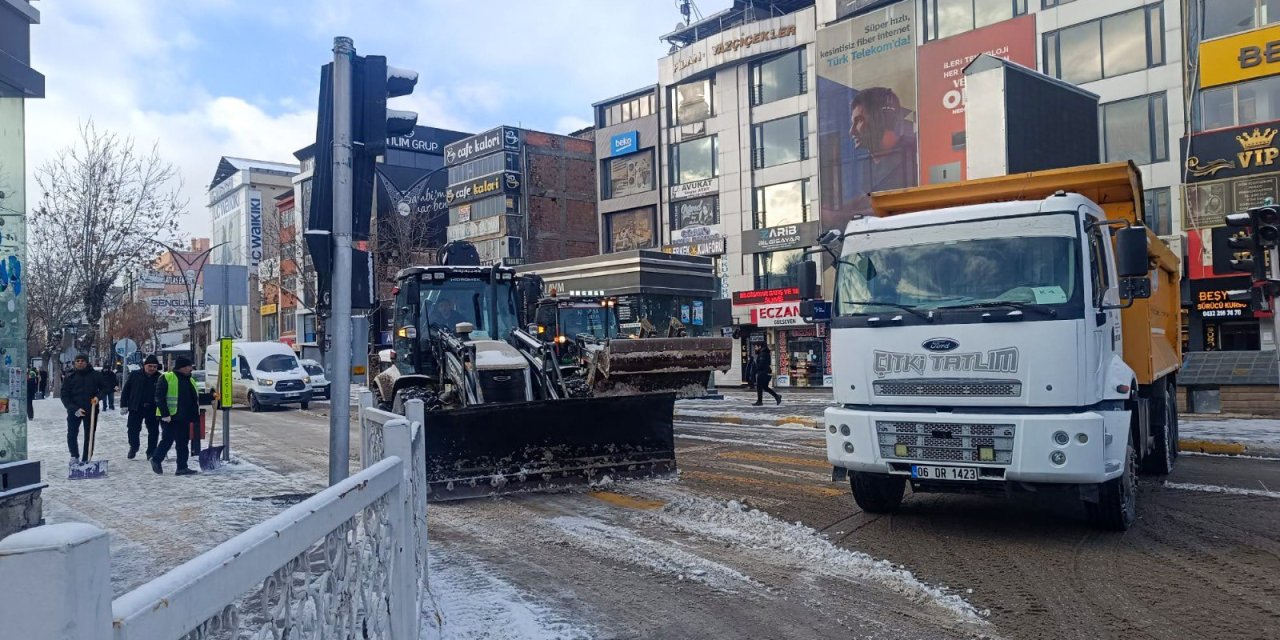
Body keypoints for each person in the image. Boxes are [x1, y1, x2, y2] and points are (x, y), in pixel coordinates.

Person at [848, 86, 918, 196]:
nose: (852, 131)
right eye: (853, 122)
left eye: (860, 120)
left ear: (883, 119)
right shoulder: (867, 166)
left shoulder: (914, 155)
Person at [151, 356, 202, 476]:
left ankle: (182, 467)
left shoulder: (190, 380)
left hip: (184, 417)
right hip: (170, 417)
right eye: (189, 366)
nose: (191, 368)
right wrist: (165, 414)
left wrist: (212, 397)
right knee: (168, 440)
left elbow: (194, 398)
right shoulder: (167, 377)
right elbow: (159, 397)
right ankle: (156, 459)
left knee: (183, 442)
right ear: (182, 367)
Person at [60, 354, 104, 463]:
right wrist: (74, 409)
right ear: (74, 363)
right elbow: (64, 395)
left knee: (89, 435)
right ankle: (74, 455)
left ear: (87, 362)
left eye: (83, 361)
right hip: (74, 410)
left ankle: (86, 458)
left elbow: (105, 388)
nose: (80, 362)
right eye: (78, 360)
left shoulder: (95, 375)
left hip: (91, 410)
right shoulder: (70, 377)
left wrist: (98, 397)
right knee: (72, 434)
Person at [121, 355, 163, 460]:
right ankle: (134, 447)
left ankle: (151, 452)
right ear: (145, 366)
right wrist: (123, 405)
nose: (152, 369)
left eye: (154, 367)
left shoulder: (160, 377)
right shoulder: (135, 375)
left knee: (153, 431)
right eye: (150, 366)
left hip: (152, 408)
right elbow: (126, 390)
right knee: (132, 429)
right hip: (136, 407)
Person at [749, 342, 782, 407]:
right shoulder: (764, 353)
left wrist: (756, 370)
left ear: (759, 347)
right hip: (766, 372)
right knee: (764, 387)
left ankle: (759, 401)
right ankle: (777, 396)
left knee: (759, 387)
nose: (755, 349)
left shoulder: (763, 354)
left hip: (763, 372)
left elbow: (761, 364)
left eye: (756, 347)